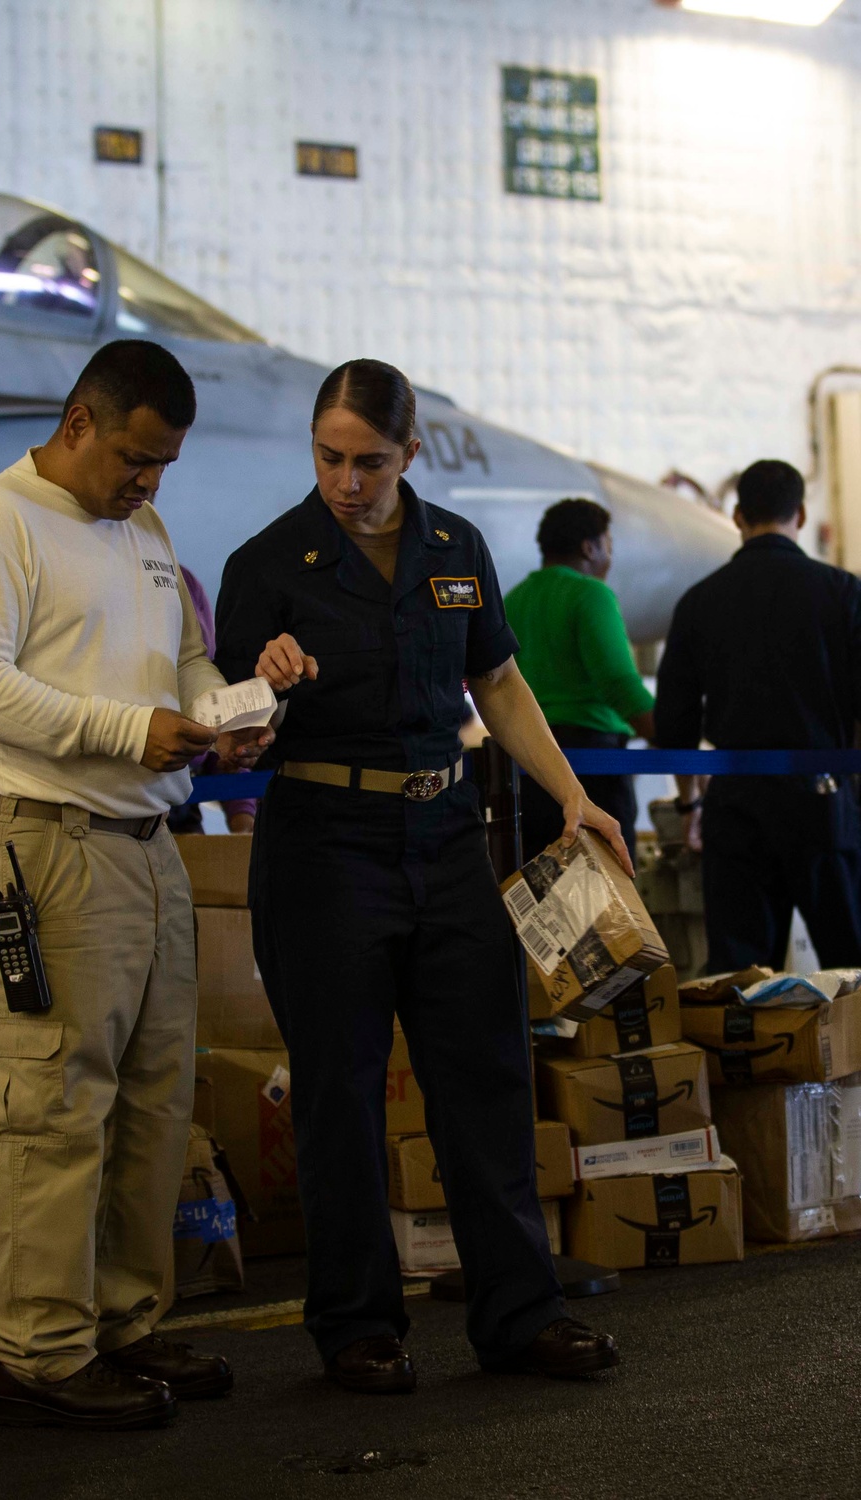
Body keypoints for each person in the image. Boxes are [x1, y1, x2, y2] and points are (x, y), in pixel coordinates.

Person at [214, 358, 627, 1395]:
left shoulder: (458, 547)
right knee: (340, 1098)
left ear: (410, 454)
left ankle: (518, 1314)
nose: (346, 481)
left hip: (446, 834)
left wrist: (573, 795)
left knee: (485, 1081)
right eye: (329, 458)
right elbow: (223, 732)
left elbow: (496, 680)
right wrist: (260, 690)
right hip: (323, 846)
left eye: (369, 461)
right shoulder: (267, 562)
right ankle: (357, 1325)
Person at [0, 340, 271, 1430]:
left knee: (153, 1102)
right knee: (50, 1108)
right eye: (133, 457)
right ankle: (36, 1357)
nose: (147, 482)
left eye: (163, 464)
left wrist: (220, 712)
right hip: (45, 850)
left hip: (147, 847)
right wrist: (132, 730)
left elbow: (178, 664)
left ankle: (123, 1324)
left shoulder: (147, 532)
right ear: (79, 421)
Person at [656, 458, 861, 972]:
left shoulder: (699, 601)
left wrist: (689, 809)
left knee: (741, 977)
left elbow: (675, 725)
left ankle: (756, 1054)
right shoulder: (841, 592)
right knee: (852, 964)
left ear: (738, 515)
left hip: (737, 807)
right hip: (826, 801)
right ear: (803, 513)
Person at [504, 499, 655, 864]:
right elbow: (619, 683)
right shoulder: (591, 594)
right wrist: (670, 736)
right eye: (609, 546)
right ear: (590, 547)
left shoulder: (513, 599)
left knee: (539, 896)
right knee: (605, 905)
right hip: (590, 769)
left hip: (528, 764)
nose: (609, 558)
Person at [167, 565, 257, 835]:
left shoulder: (185, 582)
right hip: (116, 803)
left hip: (183, 802)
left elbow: (204, 699)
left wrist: (243, 822)